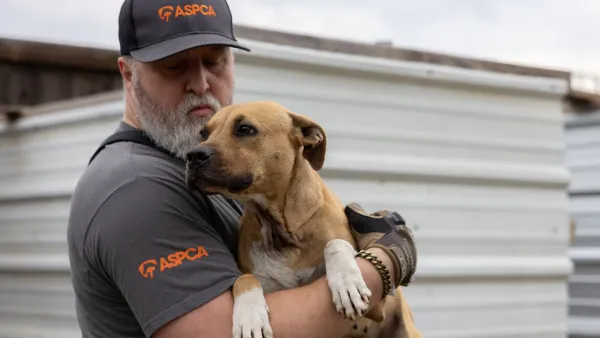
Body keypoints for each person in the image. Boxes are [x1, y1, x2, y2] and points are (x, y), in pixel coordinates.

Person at [66, 0, 418, 337]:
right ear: (128, 74)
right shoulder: (135, 188)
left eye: (215, 61)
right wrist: (384, 264)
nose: (201, 84)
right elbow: (220, 333)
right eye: (174, 65)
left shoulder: (215, 173)